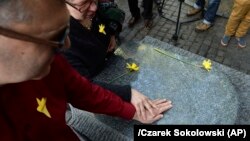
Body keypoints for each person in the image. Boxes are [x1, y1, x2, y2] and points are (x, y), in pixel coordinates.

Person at [0, 0, 172, 140]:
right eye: (57, 36)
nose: (66, 45)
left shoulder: (53, 63)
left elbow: (83, 92)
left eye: (66, 30)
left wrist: (133, 111)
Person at [64, 0, 159, 122]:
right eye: (84, 5)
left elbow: (108, 17)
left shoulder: (92, 9)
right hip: (98, 86)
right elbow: (84, 89)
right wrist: (128, 94)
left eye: (94, 0)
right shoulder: (62, 40)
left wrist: (112, 34)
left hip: (110, 63)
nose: (93, 8)